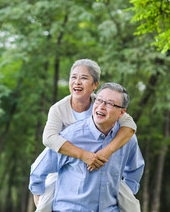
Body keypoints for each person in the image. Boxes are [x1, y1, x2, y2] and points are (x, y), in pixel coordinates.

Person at [35, 59, 137, 211]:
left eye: (83, 78)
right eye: (73, 77)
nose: (77, 82)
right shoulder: (58, 109)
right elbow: (49, 139)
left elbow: (130, 125)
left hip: (103, 172)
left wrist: (106, 151)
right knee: (44, 205)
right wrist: (84, 155)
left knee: (132, 205)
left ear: (95, 85)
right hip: (65, 172)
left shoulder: (101, 103)